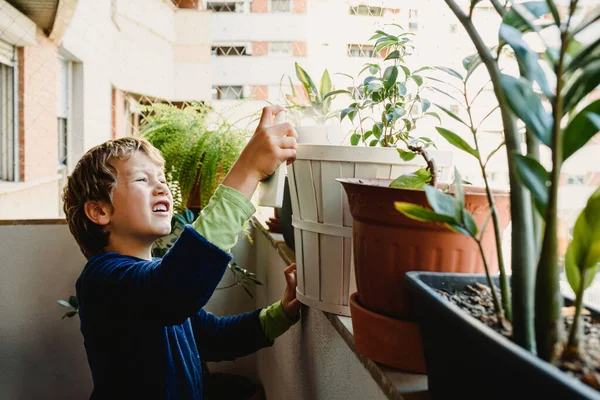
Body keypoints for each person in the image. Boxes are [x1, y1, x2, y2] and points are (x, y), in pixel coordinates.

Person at [62, 105, 301, 399]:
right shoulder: (103, 279)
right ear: (99, 210)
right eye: (142, 180)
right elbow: (173, 290)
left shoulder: (158, 277)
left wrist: (282, 312)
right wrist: (248, 169)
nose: (161, 187)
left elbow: (214, 337)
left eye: (162, 179)